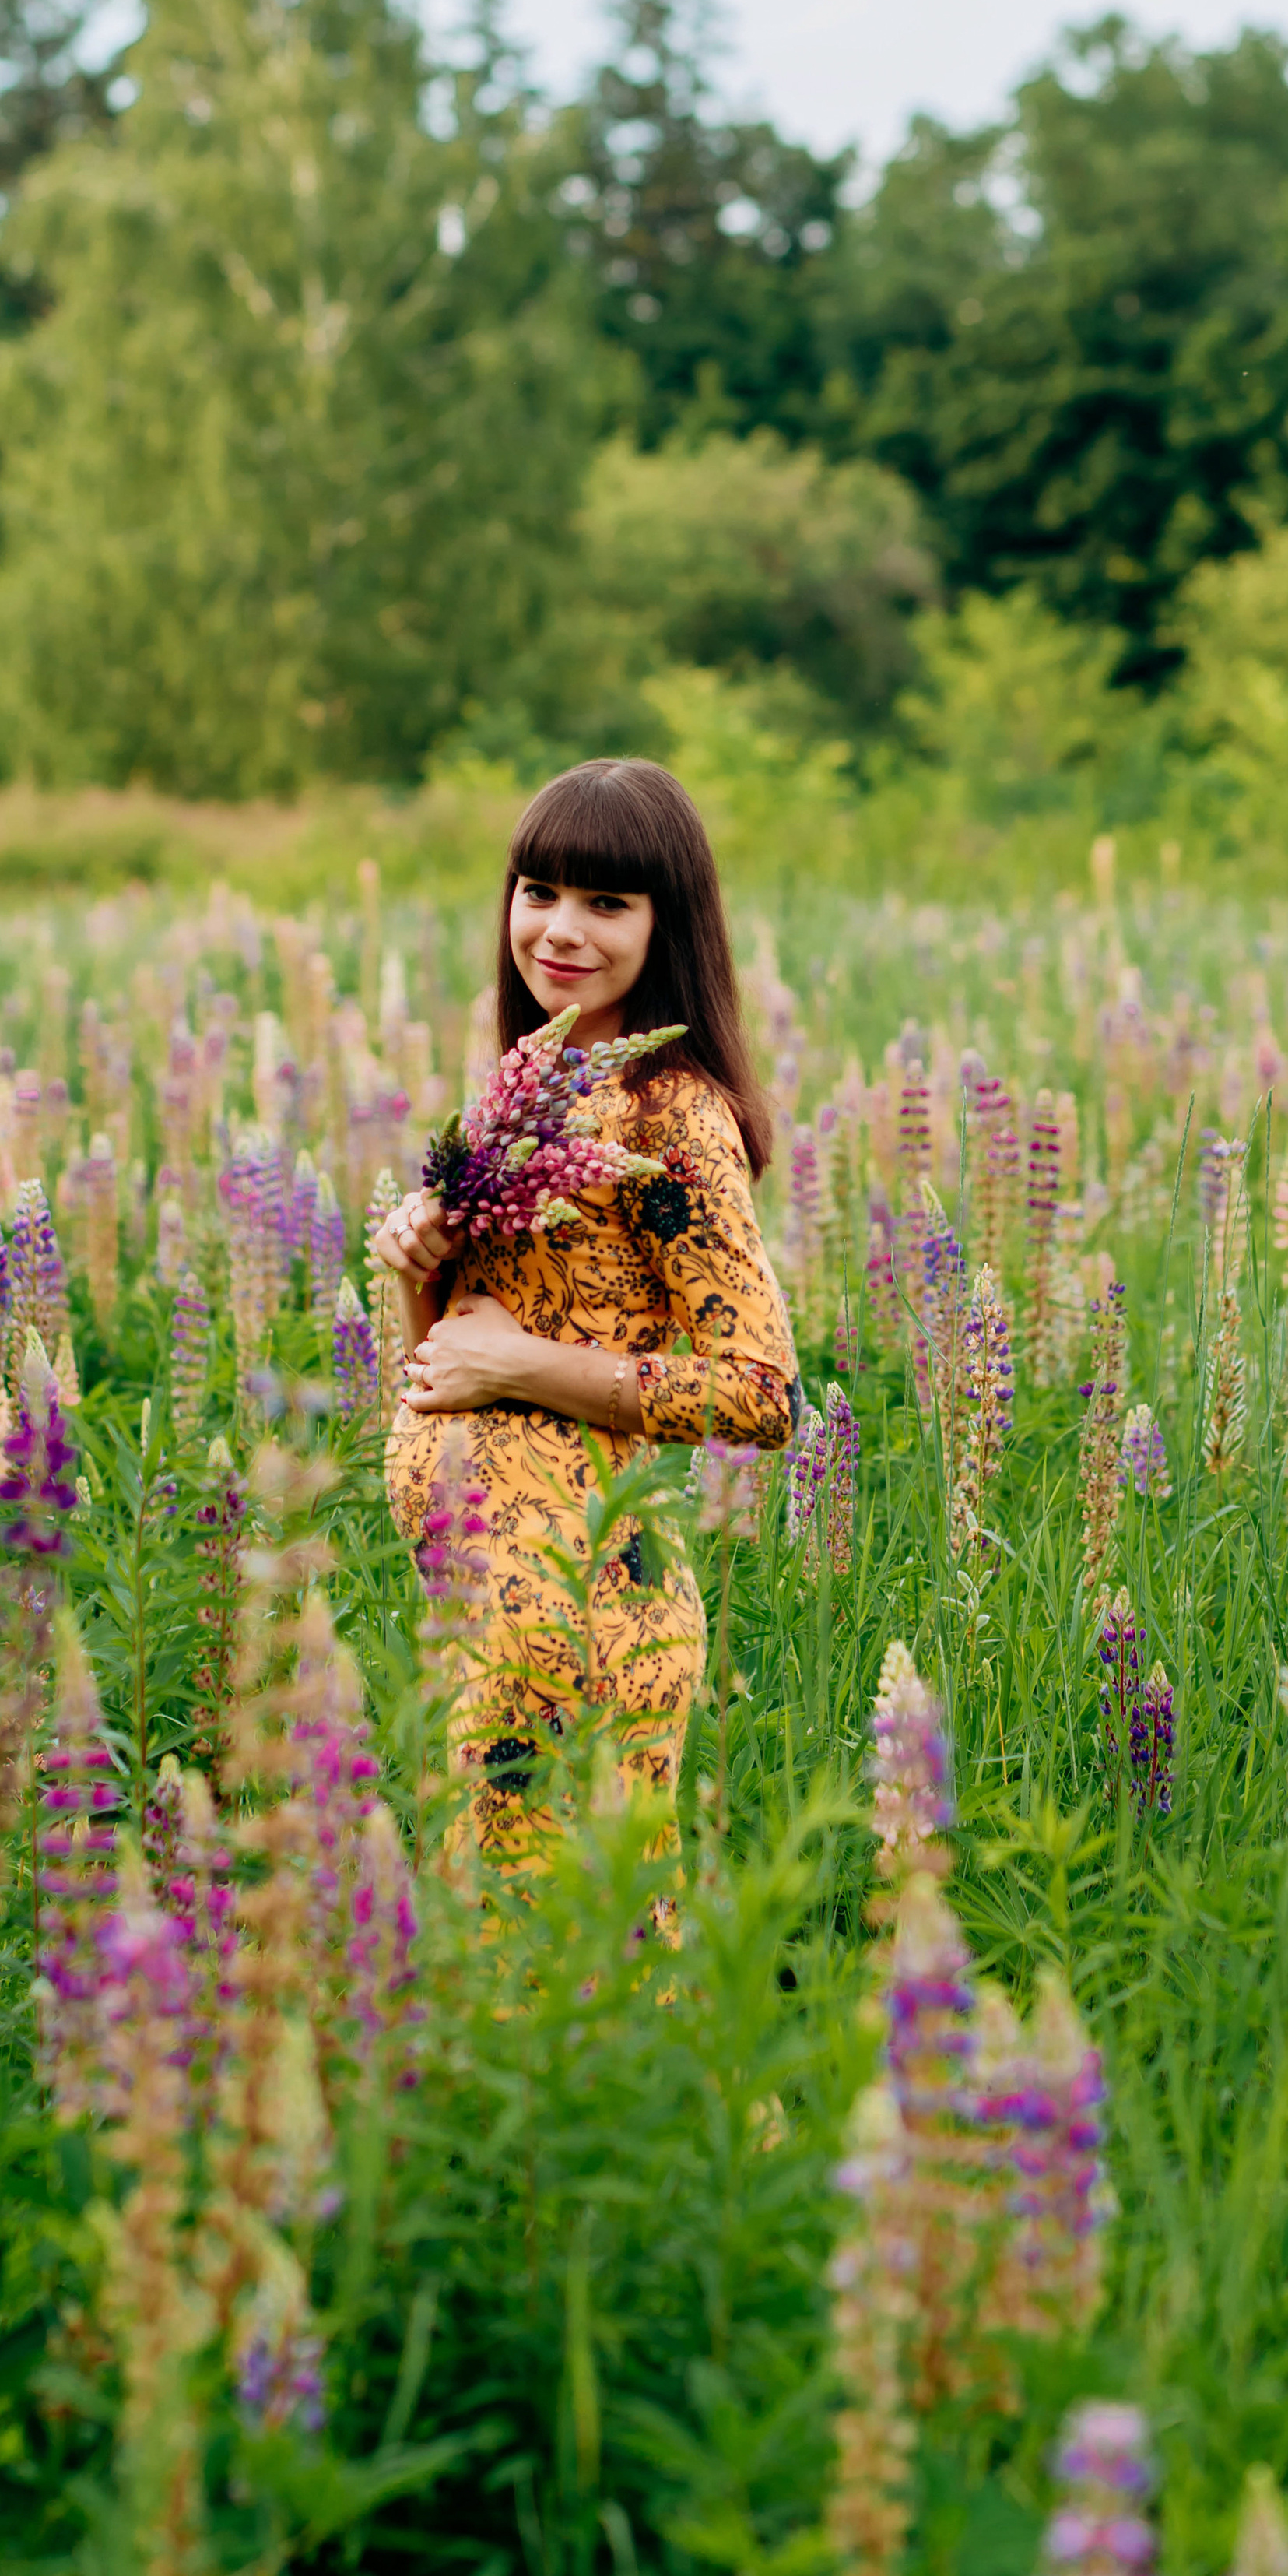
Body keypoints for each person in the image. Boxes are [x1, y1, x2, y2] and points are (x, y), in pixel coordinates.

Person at [375, 758, 797, 1866]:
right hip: (485, 1605)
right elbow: (451, 1374)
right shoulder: (533, 1083)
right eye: (540, 891)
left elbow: (761, 1395)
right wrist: (417, 1271)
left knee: (570, 1937)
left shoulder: (670, 1114)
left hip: (589, 1608)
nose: (560, 929)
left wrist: (517, 1365)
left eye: (607, 902)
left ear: (670, 925)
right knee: (492, 1932)